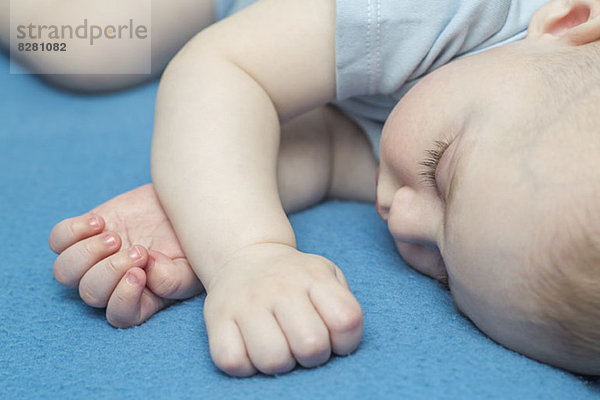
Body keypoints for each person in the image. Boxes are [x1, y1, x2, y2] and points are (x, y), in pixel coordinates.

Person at [45, 0, 600, 377]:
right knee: (85, 43)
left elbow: (331, 149)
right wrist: (245, 253)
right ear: (566, 23)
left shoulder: (484, 151)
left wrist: (194, 219)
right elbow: (228, 68)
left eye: (444, 270)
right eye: (441, 169)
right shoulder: (445, 14)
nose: (401, 217)